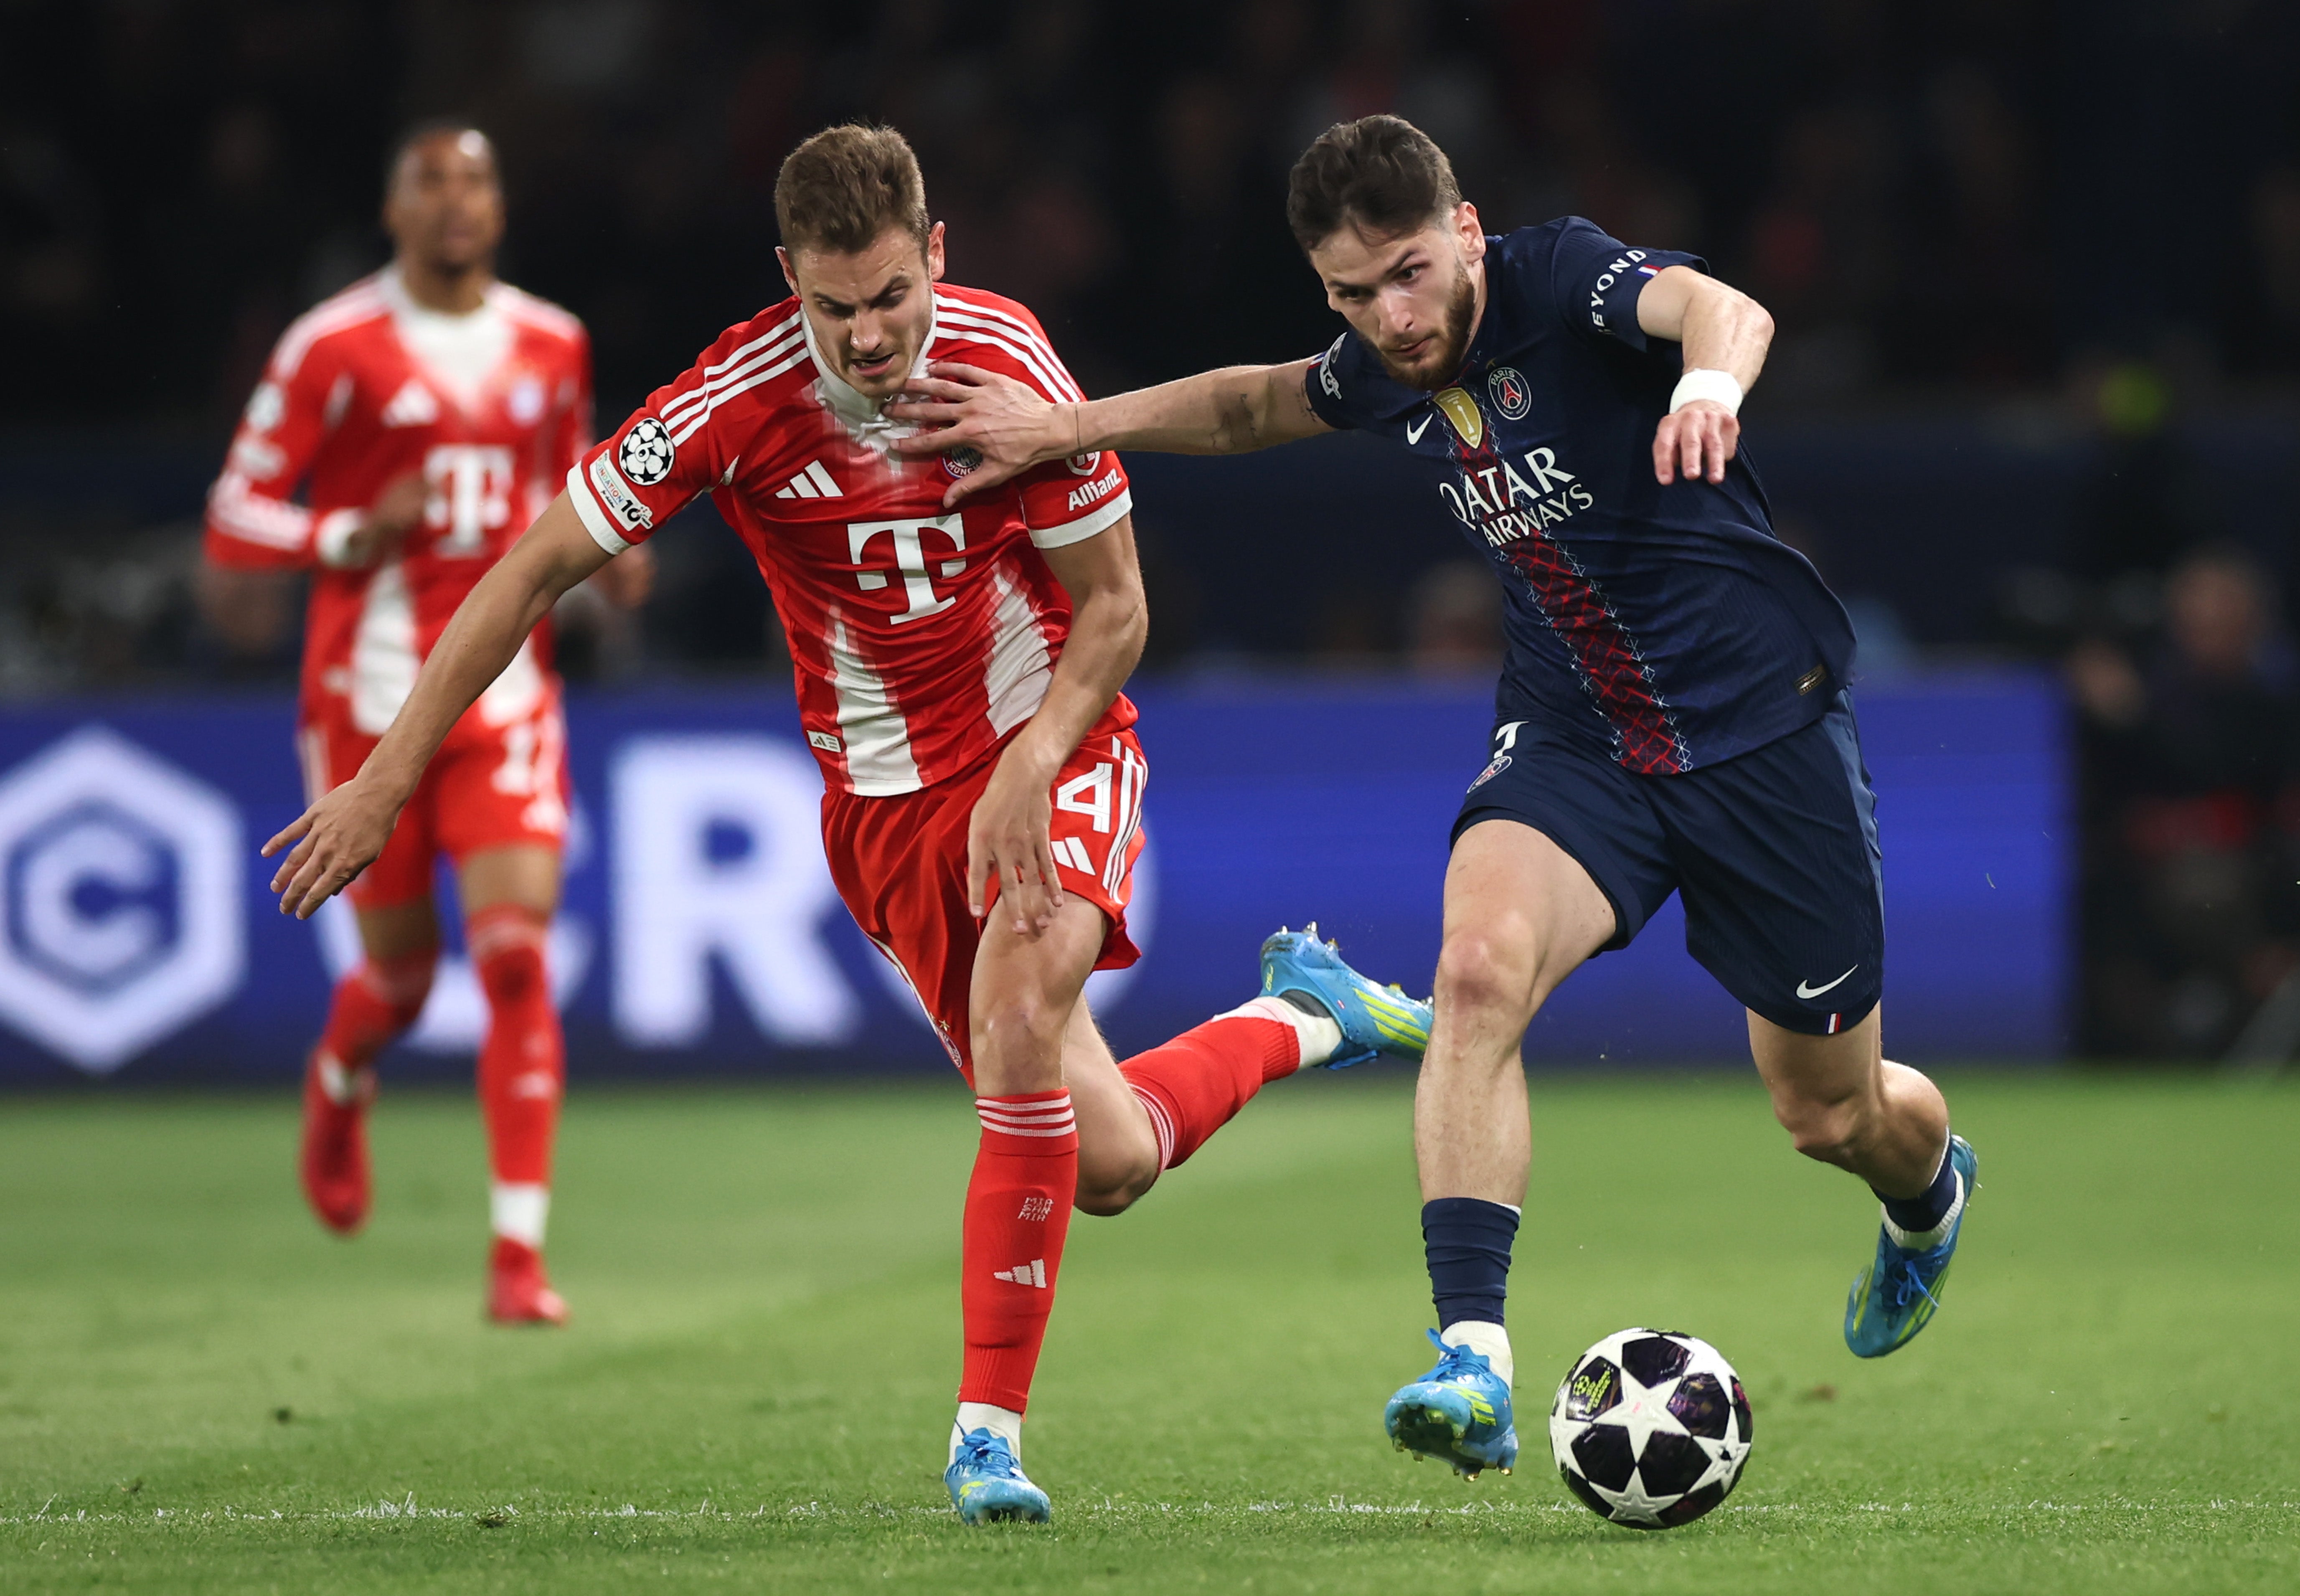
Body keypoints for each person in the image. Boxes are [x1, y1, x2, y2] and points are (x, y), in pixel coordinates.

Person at [260, 124, 1430, 1524]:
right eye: (836, 309)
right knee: (1107, 1161)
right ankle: (1314, 1017)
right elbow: (536, 569)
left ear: (936, 252)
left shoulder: (1006, 367)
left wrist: (1035, 756)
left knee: (1016, 1020)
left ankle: (984, 1441)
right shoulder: (734, 402)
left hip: (1048, 751)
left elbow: (1116, 610)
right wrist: (389, 774)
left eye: (892, 297)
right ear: (788, 284)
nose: (872, 338)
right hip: (882, 815)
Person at [894, 114, 1979, 1479]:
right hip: (1578, 738)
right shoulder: (1380, 358)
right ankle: (1474, 1361)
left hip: (1763, 733)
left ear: (1464, 231)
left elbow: (1725, 308)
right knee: (1471, 979)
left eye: (1408, 274)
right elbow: (1253, 404)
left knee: (1830, 1114)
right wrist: (1063, 425)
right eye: (1353, 294)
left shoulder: (1559, 277)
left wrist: (1708, 387)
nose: (1390, 320)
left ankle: (1928, 1200)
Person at [201, 121, 651, 1325]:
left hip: (507, 702)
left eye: (477, 182)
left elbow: (576, 487)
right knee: (401, 982)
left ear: (500, 210)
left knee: (513, 963)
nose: (457, 203)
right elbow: (235, 513)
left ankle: (517, 1260)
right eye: (432, 184)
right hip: (366, 710)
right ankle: (342, 1076)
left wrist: (614, 569)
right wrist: (344, 535)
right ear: (393, 211)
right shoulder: (331, 346)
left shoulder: (553, 342)